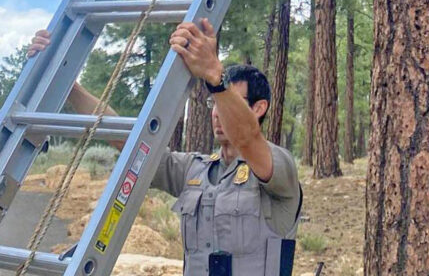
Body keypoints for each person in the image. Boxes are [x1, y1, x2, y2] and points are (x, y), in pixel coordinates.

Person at [28, 20, 300, 276]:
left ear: (258, 108)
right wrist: (66, 82)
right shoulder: (194, 171)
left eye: (230, 101)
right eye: (214, 103)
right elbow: (126, 140)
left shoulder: (279, 169)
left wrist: (215, 78)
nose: (218, 112)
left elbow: (248, 139)